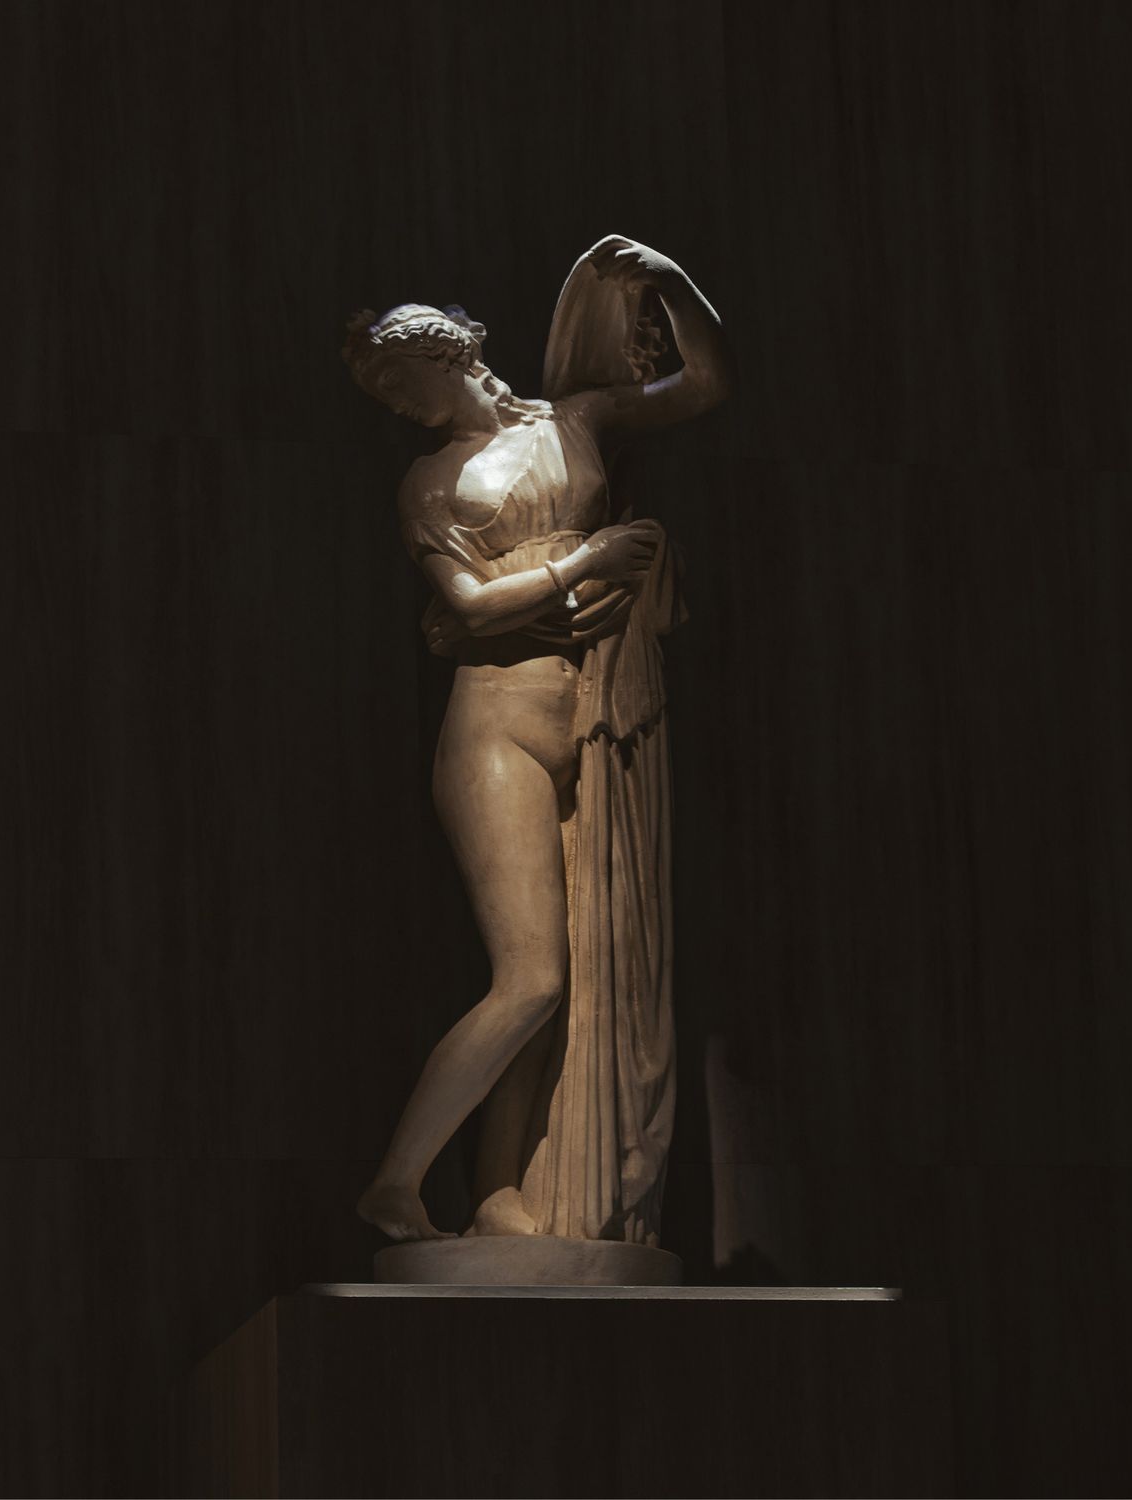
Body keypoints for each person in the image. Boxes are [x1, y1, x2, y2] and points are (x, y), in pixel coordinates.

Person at [345, 235, 731, 1243]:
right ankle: (395, 1181)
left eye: (399, 384)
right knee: (532, 978)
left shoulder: (577, 419)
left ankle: (498, 1192)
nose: (399, 407)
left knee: (575, 977)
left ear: (446, 355)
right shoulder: (433, 480)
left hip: (595, 720)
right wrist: (587, 562)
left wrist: (670, 281)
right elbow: (470, 606)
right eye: (387, 397)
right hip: (496, 731)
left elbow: (704, 384)